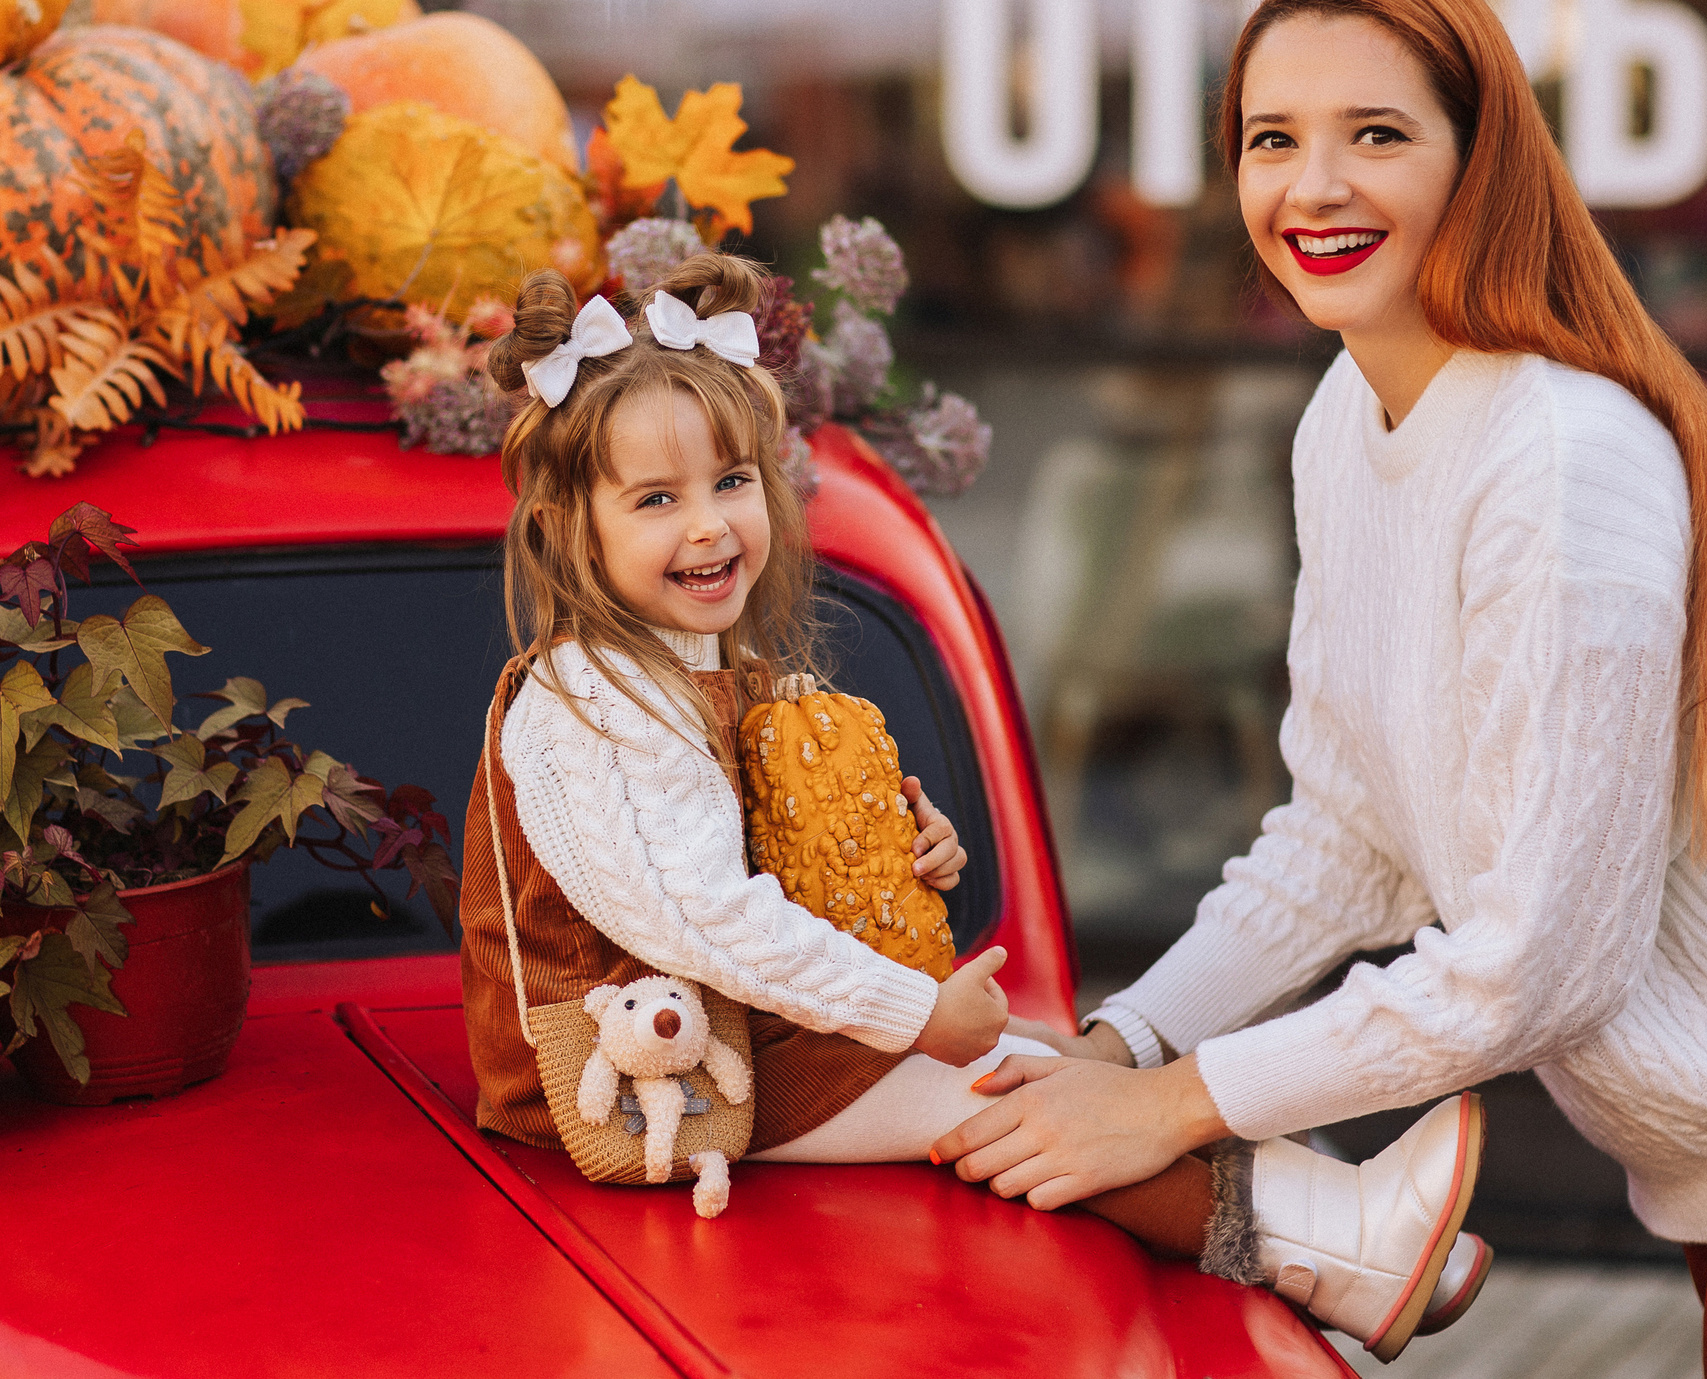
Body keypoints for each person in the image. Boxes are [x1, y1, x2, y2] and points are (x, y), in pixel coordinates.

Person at [932, 0, 1707, 1379]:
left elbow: (1543, 963)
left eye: (1377, 135)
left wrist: (1181, 1105)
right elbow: (1339, 835)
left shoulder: (1564, 454)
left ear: (1482, 166)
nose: (1314, 186)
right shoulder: (1349, 417)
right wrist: (1132, 1036)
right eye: (1273, 140)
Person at [458, 251, 1489, 1359]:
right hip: (632, 1075)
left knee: (1051, 1062)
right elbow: (702, 914)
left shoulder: (703, 662)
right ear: (572, 529)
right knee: (1001, 1100)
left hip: (733, 1020)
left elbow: (752, 856)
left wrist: (902, 852)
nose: (708, 527)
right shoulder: (591, 704)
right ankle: (1324, 1249)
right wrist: (912, 1013)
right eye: (657, 499)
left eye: (731, 482)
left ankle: (1345, 1224)